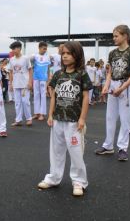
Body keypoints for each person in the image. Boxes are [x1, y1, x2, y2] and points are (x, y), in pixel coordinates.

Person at [37, 41, 92, 197]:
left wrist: (82, 119)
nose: (65, 56)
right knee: (56, 151)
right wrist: (50, 114)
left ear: (77, 55)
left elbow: (86, 97)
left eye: (69, 53)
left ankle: (79, 181)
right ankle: (53, 177)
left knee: (75, 152)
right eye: (63, 53)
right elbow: (53, 95)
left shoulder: (82, 74)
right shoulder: (58, 74)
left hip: (74, 121)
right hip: (58, 119)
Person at [95, 24, 130, 161]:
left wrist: (122, 88)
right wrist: (105, 87)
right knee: (110, 117)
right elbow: (109, 73)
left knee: (125, 119)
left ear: (125, 36)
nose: (114, 38)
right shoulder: (112, 53)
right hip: (113, 85)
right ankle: (108, 145)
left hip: (124, 85)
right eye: (113, 36)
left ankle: (123, 148)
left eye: (116, 36)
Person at [8, 41, 33, 126]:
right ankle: (18, 120)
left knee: (25, 101)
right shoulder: (11, 59)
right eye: (12, 49)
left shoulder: (25, 58)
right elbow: (11, 72)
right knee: (17, 102)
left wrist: (30, 82)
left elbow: (30, 70)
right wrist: (11, 84)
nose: (13, 50)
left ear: (19, 48)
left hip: (25, 84)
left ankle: (29, 118)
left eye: (14, 48)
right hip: (16, 84)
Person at [31, 42, 51, 121]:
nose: (45, 50)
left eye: (46, 49)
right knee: (36, 95)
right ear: (39, 48)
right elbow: (31, 65)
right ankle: (36, 113)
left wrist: (49, 78)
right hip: (36, 78)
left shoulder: (47, 57)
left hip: (43, 78)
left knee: (43, 95)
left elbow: (49, 68)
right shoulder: (35, 56)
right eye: (44, 48)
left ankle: (42, 114)